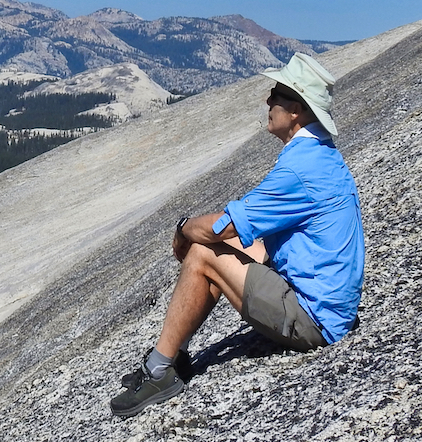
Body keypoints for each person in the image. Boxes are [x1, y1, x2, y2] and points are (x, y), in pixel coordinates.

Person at [110, 52, 365, 418]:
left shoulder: (300, 169)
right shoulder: (321, 154)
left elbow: (227, 225)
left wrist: (183, 229)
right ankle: (175, 353)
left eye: (276, 93)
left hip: (314, 319)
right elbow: (249, 231)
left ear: (295, 110)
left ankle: (160, 370)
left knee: (202, 252)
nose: (268, 100)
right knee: (216, 245)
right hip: (327, 302)